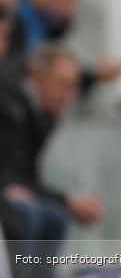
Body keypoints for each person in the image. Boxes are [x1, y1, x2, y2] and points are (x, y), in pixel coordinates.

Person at [0, 44, 104, 278]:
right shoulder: (10, 103)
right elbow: (10, 171)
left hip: (11, 188)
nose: (68, 97)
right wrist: (68, 202)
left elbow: (26, 175)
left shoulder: (40, 112)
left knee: (54, 217)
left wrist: (66, 201)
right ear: (36, 78)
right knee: (25, 212)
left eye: (73, 88)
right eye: (62, 85)